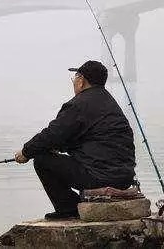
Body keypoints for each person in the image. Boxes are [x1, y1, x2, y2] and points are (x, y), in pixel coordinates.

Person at [14, 60, 136, 220]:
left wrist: (26, 151)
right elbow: (85, 137)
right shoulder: (109, 103)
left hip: (99, 177)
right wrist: (58, 146)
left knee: (42, 160)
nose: (73, 82)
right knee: (53, 154)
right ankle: (77, 204)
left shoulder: (79, 104)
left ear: (81, 80)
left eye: (75, 78)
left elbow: (52, 134)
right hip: (124, 177)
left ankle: (68, 209)